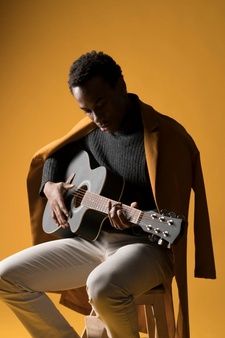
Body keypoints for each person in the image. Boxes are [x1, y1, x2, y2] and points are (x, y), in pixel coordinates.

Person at [0, 51, 216, 338]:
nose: (96, 117)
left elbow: (176, 227)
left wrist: (135, 220)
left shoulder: (166, 137)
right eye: (86, 110)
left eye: (100, 103)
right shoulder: (91, 131)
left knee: (102, 286)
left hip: (147, 249)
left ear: (121, 86)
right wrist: (50, 187)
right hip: (93, 241)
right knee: (5, 277)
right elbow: (54, 156)